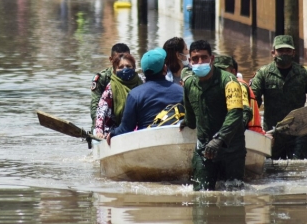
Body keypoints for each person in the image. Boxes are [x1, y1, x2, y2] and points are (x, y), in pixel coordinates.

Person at [250, 35, 307, 160]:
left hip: (299, 133)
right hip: (272, 134)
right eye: (281, 50)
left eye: (287, 51)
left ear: (293, 52)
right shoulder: (263, 74)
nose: (284, 53)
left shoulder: (305, 74)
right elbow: (252, 103)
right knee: (272, 172)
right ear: (273, 53)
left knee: (298, 167)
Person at [181, 40, 245, 191]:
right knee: (201, 196)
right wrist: (185, 122)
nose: (200, 62)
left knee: (233, 197)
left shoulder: (229, 81)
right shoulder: (189, 84)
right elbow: (191, 119)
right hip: (204, 150)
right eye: (195, 59)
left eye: (204, 58)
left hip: (231, 150)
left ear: (212, 59)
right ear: (190, 61)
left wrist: (219, 139)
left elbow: (235, 114)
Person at [107, 48, 184, 144]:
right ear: (165, 68)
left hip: (146, 142)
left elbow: (126, 128)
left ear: (143, 71)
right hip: (176, 140)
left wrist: (112, 133)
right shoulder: (181, 91)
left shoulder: (135, 94)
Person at [94, 53, 143, 138]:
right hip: (115, 130)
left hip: (140, 128)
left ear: (134, 68)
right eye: (120, 67)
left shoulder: (142, 82)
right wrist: (99, 131)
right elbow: (101, 111)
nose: (125, 69)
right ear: (114, 70)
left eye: (128, 66)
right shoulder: (111, 87)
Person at [214, 55, 265, 135]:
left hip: (251, 134)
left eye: (223, 70)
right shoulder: (220, 86)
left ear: (233, 72)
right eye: (216, 70)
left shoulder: (239, 86)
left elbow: (245, 113)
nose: (219, 74)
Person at [90, 43, 131, 129]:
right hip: (105, 123)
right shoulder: (102, 79)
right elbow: (95, 107)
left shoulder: (135, 78)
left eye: (126, 58)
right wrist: (98, 129)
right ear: (111, 60)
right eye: (118, 59)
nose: (122, 61)